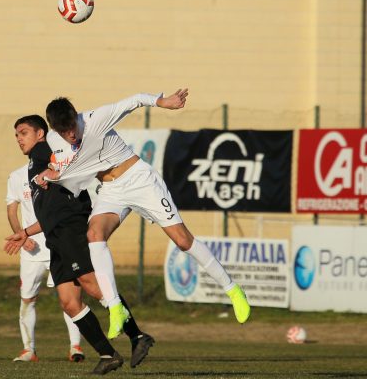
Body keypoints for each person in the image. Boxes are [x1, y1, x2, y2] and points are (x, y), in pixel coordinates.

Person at [38, 89, 251, 339]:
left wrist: (163, 102)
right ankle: (116, 307)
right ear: (55, 129)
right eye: (64, 131)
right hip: (110, 189)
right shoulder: (55, 140)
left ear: (76, 117)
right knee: (94, 234)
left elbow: (134, 100)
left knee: (182, 240)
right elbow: (61, 166)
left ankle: (233, 289)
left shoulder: (96, 119)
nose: (71, 134)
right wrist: (51, 174)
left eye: (72, 127)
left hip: (139, 180)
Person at [5, 115, 154, 374]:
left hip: (71, 229)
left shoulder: (46, 148)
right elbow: (50, 213)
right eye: (16, 134)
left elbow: (67, 157)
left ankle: (137, 336)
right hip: (55, 236)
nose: (19, 138)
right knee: (69, 301)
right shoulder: (32, 165)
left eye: (24, 132)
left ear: (41, 133)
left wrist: (58, 165)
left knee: (92, 285)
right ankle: (108, 354)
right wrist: (25, 232)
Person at [6, 164, 85, 362]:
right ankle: (28, 350)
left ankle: (75, 347)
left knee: (69, 300)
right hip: (31, 252)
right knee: (27, 299)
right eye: (18, 134)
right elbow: (11, 211)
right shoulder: (17, 176)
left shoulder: (60, 173)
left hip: (59, 247)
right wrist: (21, 237)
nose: (20, 139)